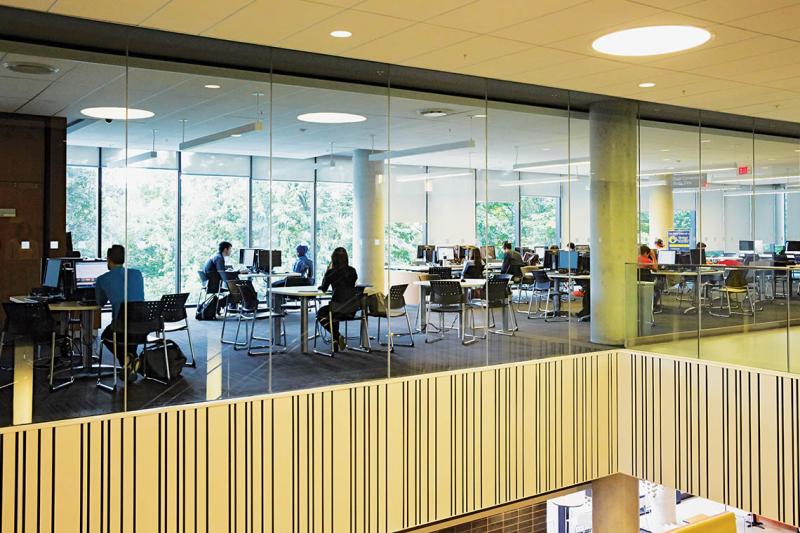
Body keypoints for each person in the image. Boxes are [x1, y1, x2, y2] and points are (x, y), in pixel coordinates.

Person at [95, 245, 144, 382]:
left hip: (121, 327)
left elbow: (100, 303)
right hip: (143, 325)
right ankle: (131, 360)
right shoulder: (137, 273)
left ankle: (127, 361)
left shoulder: (102, 279)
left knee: (106, 336)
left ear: (108, 260)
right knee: (130, 332)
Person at [316, 247, 358, 352]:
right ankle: (335, 340)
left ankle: (337, 336)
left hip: (337, 308)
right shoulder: (352, 271)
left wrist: (328, 271)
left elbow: (324, 288)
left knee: (321, 313)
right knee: (334, 311)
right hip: (351, 309)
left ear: (333, 259)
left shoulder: (330, 273)